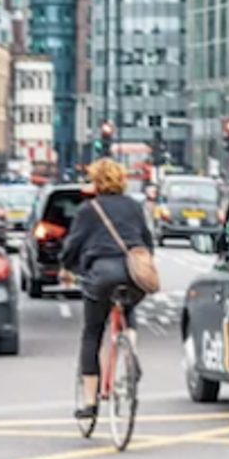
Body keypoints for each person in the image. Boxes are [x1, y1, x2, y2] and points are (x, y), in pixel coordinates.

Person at [60, 158, 153, 421]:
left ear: (96, 182)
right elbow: (147, 241)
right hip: (133, 272)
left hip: (101, 274)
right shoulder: (135, 207)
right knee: (128, 306)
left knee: (92, 333)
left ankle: (90, 402)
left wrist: (68, 266)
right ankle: (131, 349)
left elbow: (73, 246)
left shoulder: (89, 210)